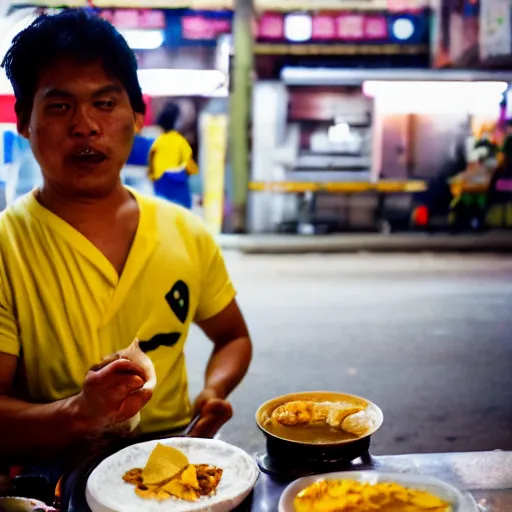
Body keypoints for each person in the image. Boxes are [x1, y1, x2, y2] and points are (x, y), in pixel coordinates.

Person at [0, 8, 252, 471]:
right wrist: (80, 411)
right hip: (53, 478)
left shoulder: (186, 232)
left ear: (137, 115)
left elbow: (232, 336)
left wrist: (214, 390)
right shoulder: (5, 246)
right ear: (24, 122)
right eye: (59, 105)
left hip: (175, 466)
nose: (85, 125)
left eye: (105, 102)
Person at [148, 102, 199, 209]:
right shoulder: (180, 141)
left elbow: (151, 164)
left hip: (160, 184)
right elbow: (188, 163)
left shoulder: (158, 141)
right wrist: (195, 172)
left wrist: (152, 177)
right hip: (176, 185)